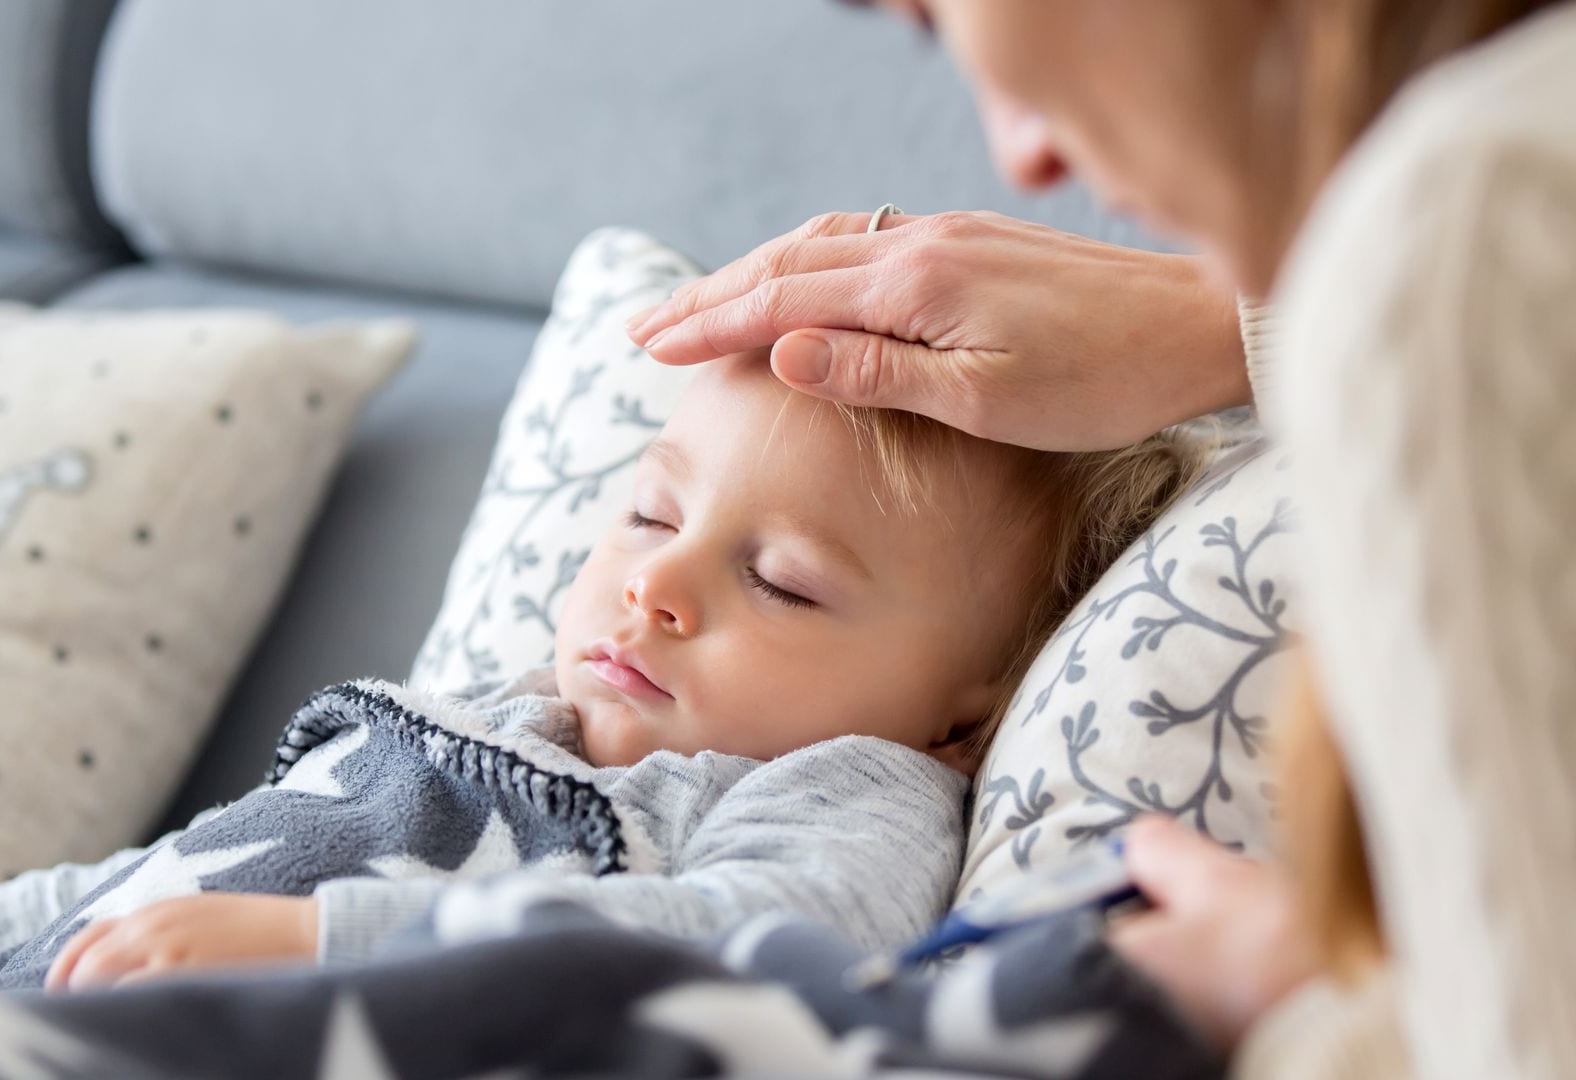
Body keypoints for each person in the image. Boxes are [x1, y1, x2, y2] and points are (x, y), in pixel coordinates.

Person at [627, 1, 1576, 1076]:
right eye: (645, 514)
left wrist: (1289, 1007)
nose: (1020, 154)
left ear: (966, 720)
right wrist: (1230, 323)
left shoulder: (1473, 232)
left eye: (939, 16)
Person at [0, 352, 1198, 995]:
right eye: (651, 515)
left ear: (963, 722)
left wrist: (323, 950)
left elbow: (762, 942)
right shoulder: (475, 715)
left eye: (781, 581)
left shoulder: (844, 793)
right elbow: (119, 892)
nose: (656, 582)